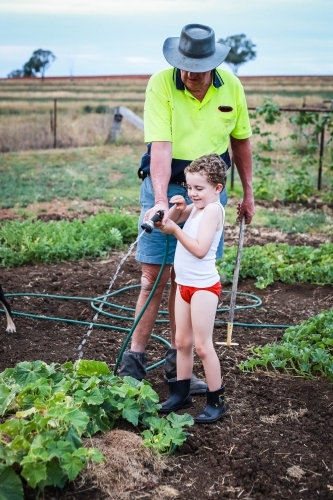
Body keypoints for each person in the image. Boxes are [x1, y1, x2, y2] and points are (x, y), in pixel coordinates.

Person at [119, 23, 255, 392]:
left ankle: (177, 370)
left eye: (198, 66)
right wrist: (161, 201)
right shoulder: (161, 83)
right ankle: (134, 362)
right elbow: (160, 147)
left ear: (213, 63)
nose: (190, 74)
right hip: (166, 182)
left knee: (189, 277)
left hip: (212, 190)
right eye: (184, 65)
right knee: (153, 277)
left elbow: (240, 141)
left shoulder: (232, 88)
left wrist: (248, 193)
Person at [157, 154, 227, 423]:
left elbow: (198, 249)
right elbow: (166, 227)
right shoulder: (197, 206)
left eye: (199, 188)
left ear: (217, 189)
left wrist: (176, 228)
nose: (193, 193)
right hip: (184, 284)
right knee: (181, 342)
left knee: (203, 346)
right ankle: (180, 393)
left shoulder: (213, 210)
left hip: (203, 288)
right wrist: (176, 209)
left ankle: (216, 401)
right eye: (189, 187)